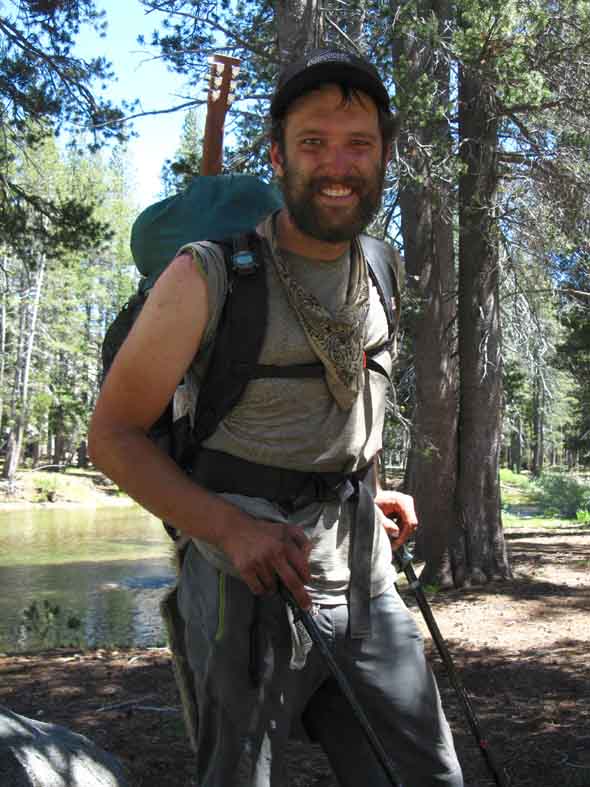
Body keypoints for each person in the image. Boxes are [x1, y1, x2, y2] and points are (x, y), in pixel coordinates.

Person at [89, 49, 463, 787]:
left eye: (358, 144)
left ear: (385, 154)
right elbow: (113, 435)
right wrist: (229, 528)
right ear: (277, 155)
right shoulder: (207, 274)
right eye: (313, 142)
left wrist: (360, 480)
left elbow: (349, 397)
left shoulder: (381, 267)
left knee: (423, 775)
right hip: (241, 582)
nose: (337, 164)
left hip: (362, 574)